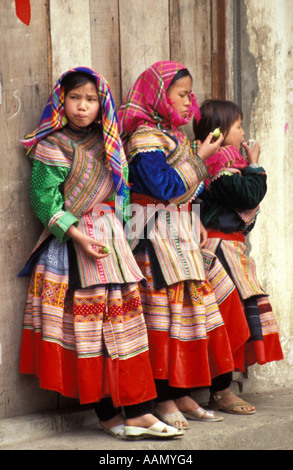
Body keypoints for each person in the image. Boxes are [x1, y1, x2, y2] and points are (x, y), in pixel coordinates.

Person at [18, 66, 184, 440]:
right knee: (89, 333)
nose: (81, 107)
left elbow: (120, 195)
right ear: (62, 99)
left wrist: (122, 235)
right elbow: (44, 201)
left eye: (90, 100)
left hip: (110, 243)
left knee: (125, 329)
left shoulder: (108, 142)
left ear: (101, 104)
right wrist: (78, 236)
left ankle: (140, 411)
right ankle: (108, 415)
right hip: (74, 246)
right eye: (75, 98)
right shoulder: (52, 145)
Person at [118, 61, 250, 429]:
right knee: (161, 321)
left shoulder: (172, 136)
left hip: (179, 236)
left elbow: (184, 193)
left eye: (190, 94)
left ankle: (181, 392)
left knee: (188, 317)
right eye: (181, 93)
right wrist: (202, 158)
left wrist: (193, 219)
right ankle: (162, 399)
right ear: (159, 96)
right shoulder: (145, 138)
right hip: (152, 238)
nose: (188, 101)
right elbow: (162, 189)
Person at [193, 99, 284, 413]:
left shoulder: (228, 167)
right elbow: (251, 195)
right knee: (223, 321)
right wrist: (256, 165)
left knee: (234, 320)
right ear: (220, 133)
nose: (243, 132)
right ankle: (220, 391)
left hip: (232, 249)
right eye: (238, 127)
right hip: (218, 253)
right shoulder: (219, 168)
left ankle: (221, 389)